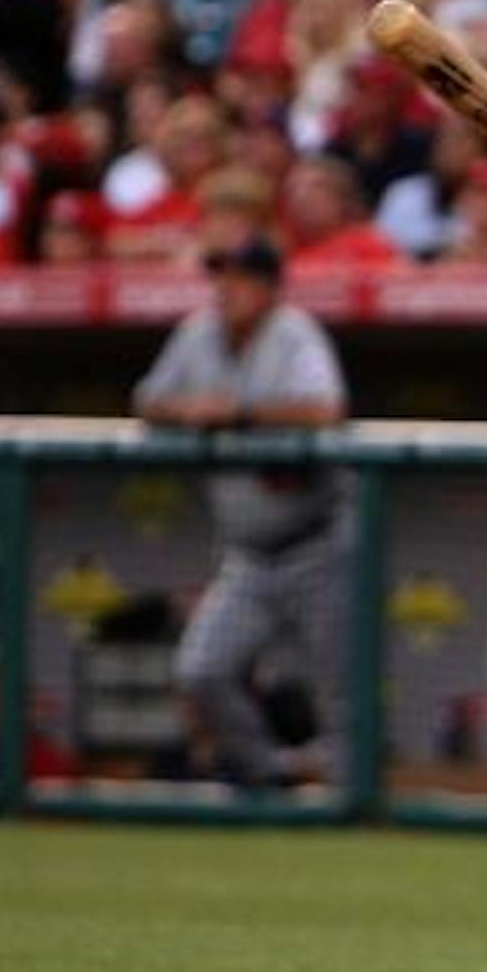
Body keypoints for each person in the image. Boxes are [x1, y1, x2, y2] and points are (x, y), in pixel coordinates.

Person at [133, 234, 349, 787]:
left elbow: (324, 409)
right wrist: (190, 410)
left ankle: (355, 799)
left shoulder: (294, 334)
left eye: (240, 277)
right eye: (219, 275)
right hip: (247, 558)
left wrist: (242, 411)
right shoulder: (197, 333)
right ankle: (266, 779)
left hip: (317, 543)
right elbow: (148, 399)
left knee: (342, 686)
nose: (224, 288)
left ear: (271, 289)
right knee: (201, 671)